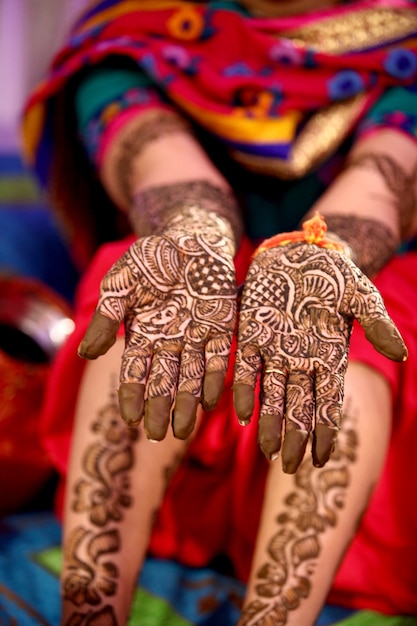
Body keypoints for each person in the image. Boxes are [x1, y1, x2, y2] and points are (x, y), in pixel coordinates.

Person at [22, 0, 417, 624]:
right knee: (155, 275)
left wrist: (320, 261)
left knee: (351, 310)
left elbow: (382, 184)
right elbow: (162, 167)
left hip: (370, 438)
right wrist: (195, 237)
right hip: (190, 411)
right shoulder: (137, 33)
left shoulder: (406, 49)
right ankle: (91, 611)